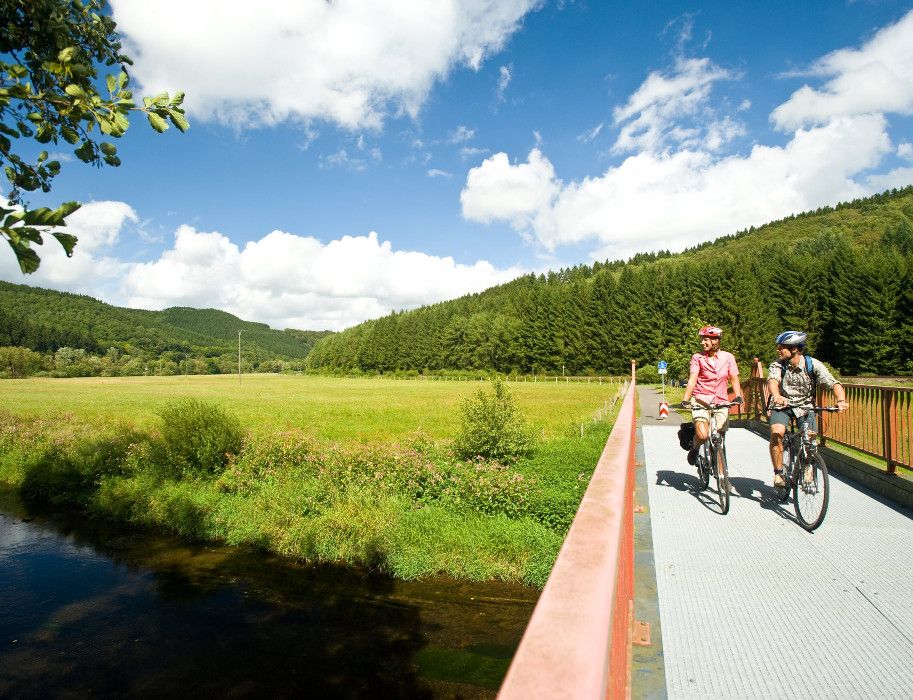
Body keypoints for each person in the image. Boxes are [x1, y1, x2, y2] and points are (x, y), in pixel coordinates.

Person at [767, 330, 848, 487]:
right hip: (782, 405)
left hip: (805, 406)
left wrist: (841, 400)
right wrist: (776, 395)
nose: (778, 350)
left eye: (781, 347)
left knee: (810, 437)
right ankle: (778, 473)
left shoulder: (812, 364)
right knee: (777, 433)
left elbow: (833, 383)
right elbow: (772, 381)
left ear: (794, 349)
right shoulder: (777, 365)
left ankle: (808, 466)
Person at [680, 326, 743, 466]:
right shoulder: (697, 358)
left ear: (716, 341)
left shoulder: (728, 357)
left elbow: (734, 378)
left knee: (720, 437)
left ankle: (721, 473)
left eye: (706, 339)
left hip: (721, 401)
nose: (702, 342)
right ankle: (695, 448)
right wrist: (685, 399)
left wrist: (738, 395)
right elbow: (692, 379)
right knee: (702, 435)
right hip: (701, 400)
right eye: (702, 339)